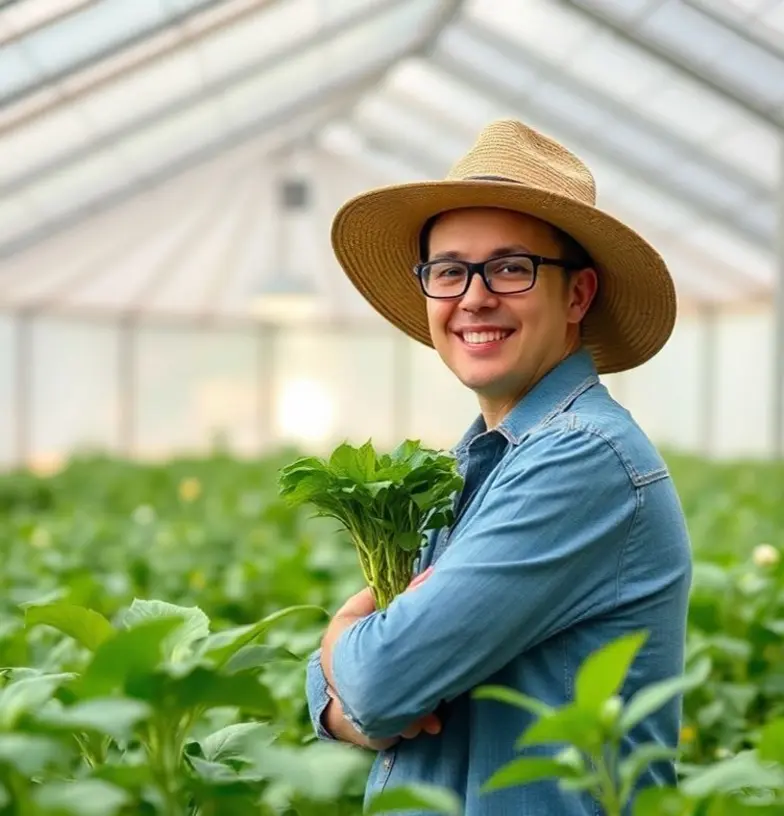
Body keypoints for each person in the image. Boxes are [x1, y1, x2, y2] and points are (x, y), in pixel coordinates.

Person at [304, 119, 692, 815]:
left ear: (577, 295)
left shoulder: (581, 460)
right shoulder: (474, 465)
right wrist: (350, 692)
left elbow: (381, 681)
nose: (473, 297)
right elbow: (361, 686)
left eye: (511, 268)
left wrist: (340, 637)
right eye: (448, 270)